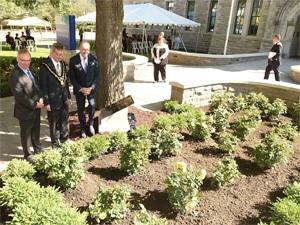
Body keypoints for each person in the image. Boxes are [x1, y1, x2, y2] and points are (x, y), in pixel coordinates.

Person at [8, 49, 44, 162]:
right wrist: (35, 104)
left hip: (36, 107)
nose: (26, 62)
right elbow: (20, 96)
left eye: (28, 60)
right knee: (26, 133)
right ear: (18, 59)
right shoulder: (14, 75)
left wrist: (41, 97)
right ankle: (27, 155)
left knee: (36, 130)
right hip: (25, 110)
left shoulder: (30, 70)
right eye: (23, 60)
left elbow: (36, 86)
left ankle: (37, 149)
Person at [39, 43, 71, 147]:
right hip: (52, 100)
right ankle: (55, 141)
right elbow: (43, 86)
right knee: (54, 122)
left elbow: (65, 82)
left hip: (64, 98)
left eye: (61, 54)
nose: (59, 57)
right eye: (57, 54)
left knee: (64, 119)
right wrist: (46, 102)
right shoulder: (45, 66)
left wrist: (68, 96)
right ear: (52, 53)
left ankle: (64, 138)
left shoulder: (62, 64)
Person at [69, 41, 100, 138]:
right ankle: (82, 128)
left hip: (91, 89)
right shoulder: (73, 60)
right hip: (80, 89)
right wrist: (80, 88)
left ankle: (90, 124)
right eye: (83, 49)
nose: (85, 51)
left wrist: (91, 87)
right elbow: (72, 77)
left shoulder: (94, 59)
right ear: (79, 49)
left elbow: (97, 75)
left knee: (92, 105)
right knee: (81, 109)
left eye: (87, 49)